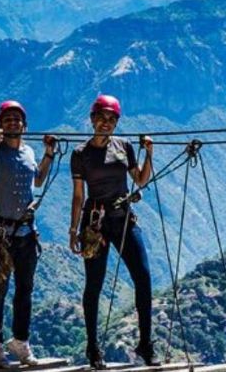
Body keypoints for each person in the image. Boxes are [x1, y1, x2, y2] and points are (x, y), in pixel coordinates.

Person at [68, 94, 159, 369]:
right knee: (93, 286)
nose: (105, 123)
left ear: (116, 122)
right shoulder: (80, 154)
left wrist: (149, 153)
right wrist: (74, 229)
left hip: (123, 220)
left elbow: (140, 180)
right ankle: (93, 349)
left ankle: (145, 344)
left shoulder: (125, 147)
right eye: (101, 117)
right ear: (92, 119)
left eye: (111, 119)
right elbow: (77, 195)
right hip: (95, 223)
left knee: (143, 278)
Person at [0, 100, 56, 368]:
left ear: (24, 125)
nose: (13, 123)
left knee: (25, 289)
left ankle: (20, 342)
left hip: (26, 232)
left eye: (17, 119)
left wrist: (48, 153)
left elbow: (37, 179)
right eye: (7, 119)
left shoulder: (29, 152)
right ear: (0, 124)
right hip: (0, 232)